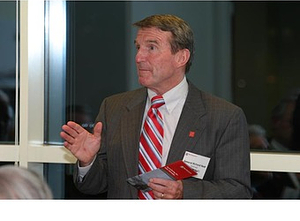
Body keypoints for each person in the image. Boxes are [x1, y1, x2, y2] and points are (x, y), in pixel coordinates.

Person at [60, 14, 252, 199]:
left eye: (151, 48)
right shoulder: (114, 107)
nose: (139, 57)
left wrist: (184, 192)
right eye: (138, 48)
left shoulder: (223, 116)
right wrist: (88, 162)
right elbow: (95, 186)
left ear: (181, 57)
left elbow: (238, 191)